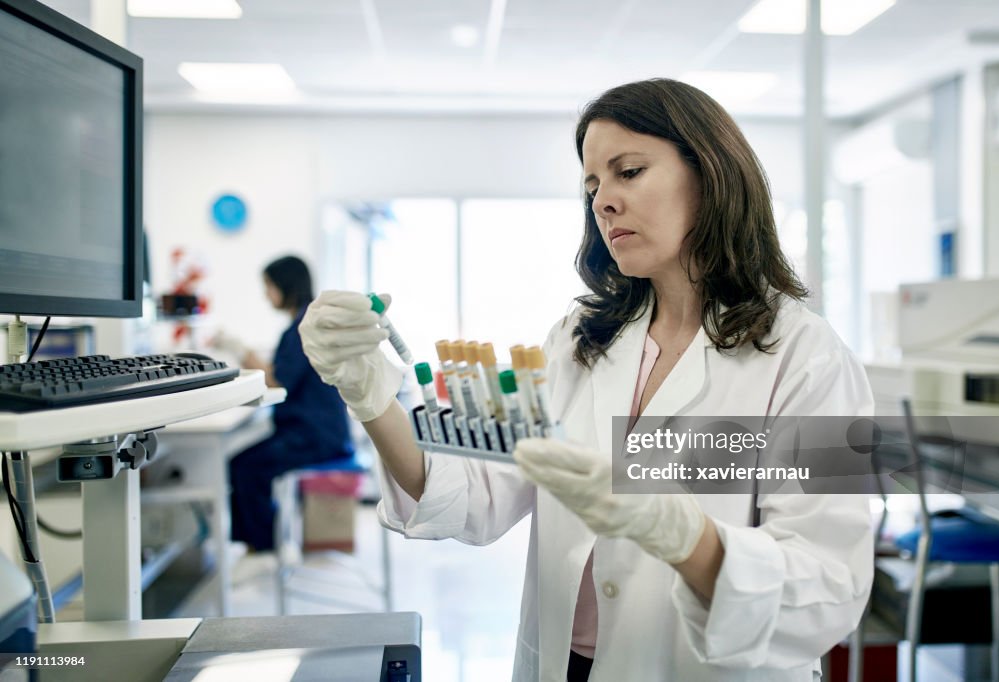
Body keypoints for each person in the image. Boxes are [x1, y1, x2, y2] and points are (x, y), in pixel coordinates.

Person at [298, 79, 873, 681]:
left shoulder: (806, 358)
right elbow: (475, 494)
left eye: (628, 171)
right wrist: (367, 392)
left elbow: (828, 582)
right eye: (593, 185)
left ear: (710, 173)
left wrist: (689, 539)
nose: (603, 202)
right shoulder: (580, 339)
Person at [219, 255, 354, 552]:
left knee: (245, 468)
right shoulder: (304, 324)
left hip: (314, 437)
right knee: (242, 465)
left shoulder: (302, 329)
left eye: (268, 285)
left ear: (285, 285)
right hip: (316, 432)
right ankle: (259, 543)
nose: (265, 294)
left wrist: (240, 349)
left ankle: (265, 547)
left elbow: (276, 380)